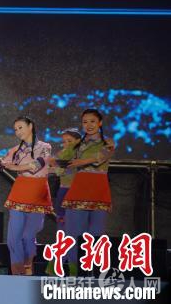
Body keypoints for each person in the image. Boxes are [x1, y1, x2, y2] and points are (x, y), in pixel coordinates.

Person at [0, 116, 53, 276]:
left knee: (28, 236)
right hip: (19, 193)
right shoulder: (15, 150)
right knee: (13, 237)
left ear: (31, 126)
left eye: (20, 127)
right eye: (15, 129)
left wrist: (13, 166)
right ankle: (18, 273)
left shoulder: (45, 147)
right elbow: (2, 164)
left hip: (38, 193)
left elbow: (36, 166)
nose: (17, 132)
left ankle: (27, 266)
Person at [61, 109, 115, 275]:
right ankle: (74, 273)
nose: (88, 125)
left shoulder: (108, 142)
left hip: (99, 191)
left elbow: (100, 158)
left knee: (96, 236)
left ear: (100, 123)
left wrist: (80, 162)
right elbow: (62, 160)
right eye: (85, 122)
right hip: (79, 190)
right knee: (74, 235)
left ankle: (93, 275)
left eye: (92, 121)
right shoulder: (77, 144)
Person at [45, 128, 81, 276]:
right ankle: (56, 266)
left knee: (74, 234)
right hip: (63, 193)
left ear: (78, 141)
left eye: (69, 141)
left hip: (78, 194)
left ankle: (64, 267)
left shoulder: (82, 156)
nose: (66, 144)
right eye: (64, 141)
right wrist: (54, 165)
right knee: (63, 233)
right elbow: (52, 167)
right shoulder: (61, 154)